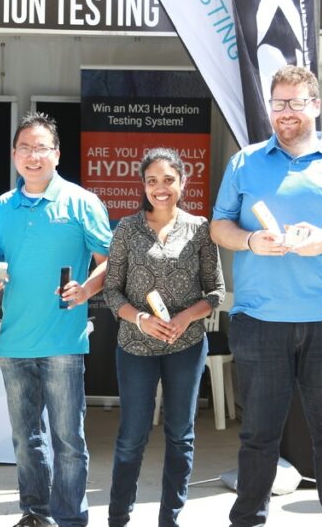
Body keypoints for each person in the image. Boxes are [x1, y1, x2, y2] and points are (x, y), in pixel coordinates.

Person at [211, 65, 322, 527]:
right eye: (277, 103)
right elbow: (219, 226)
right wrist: (252, 241)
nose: (285, 112)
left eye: (294, 102)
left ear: (315, 105)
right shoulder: (244, 162)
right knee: (257, 435)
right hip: (260, 321)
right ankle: (247, 519)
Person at [0, 112, 112, 527]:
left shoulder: (82, 202)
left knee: (68, 441)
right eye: (25, 148)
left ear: (56, 153)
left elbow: (110, 262)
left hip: (63, 342)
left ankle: (71, 518)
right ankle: (34, 513)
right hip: (14, 342)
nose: (32, 156)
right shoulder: (2, 206)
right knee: (26, 440)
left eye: (41, 148)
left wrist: (86, 290)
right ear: (14, 154)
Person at [103, 148, 225, 527]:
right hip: (136, 346)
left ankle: (170, 517)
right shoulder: (126, 228)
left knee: (180, 434)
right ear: (143, 185)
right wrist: (140, 319)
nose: (161, 188)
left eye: (168, 180)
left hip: (184, 346)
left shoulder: (201, 229)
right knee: (132, 435)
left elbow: (215, 291)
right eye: (152, 180)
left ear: (182, 182)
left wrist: (185, 318)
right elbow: (111, 291)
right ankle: (118, 515)